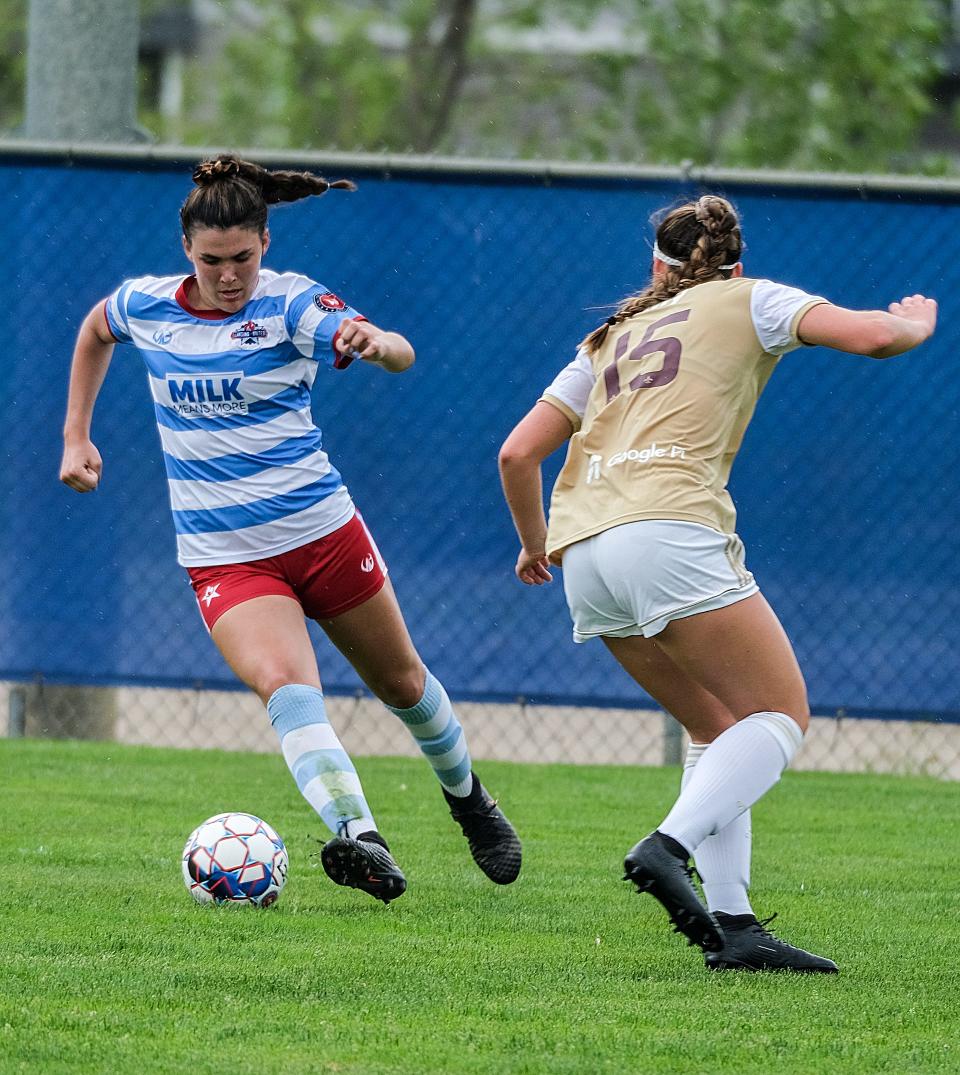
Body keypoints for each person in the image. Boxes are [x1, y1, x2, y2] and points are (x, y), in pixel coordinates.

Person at [60, 154, 521, 905]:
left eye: (242, 257)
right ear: (187, 252)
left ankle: (469, 797)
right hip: (226, 557)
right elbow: (94, 329)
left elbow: (396, 348)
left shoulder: (292, 305)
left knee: (402, 683)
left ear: (265, 244)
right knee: (287, 685)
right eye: (212, 261)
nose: (228, 275)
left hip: (321, 533)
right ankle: (360, 836)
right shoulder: (145, 304)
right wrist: (75, 436)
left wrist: (375, 344)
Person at [498, 194, 936, 972]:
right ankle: (668, 845)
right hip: (668, 531)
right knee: (781, 715)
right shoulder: (753, 296)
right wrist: (916, 322)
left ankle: (736, 927)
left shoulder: (607, 336)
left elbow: (516, 454)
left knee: (717, 726)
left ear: (657, 266)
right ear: (731, 260)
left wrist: (535, 545)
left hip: (587, 557)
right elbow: (874, 336)